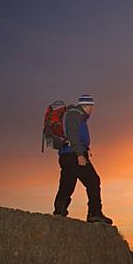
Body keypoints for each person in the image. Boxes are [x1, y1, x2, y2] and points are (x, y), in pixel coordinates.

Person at [53, 94, 113, 225]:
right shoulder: (75, 115)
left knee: (67, 185)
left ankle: (59, 213)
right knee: (93, 180)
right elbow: (73, 135)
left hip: (66, 155)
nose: (91, 110)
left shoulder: (72, 114)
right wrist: (80, 154)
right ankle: (94, 214)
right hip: (74, 154)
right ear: (86, 106)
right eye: (91, 106)